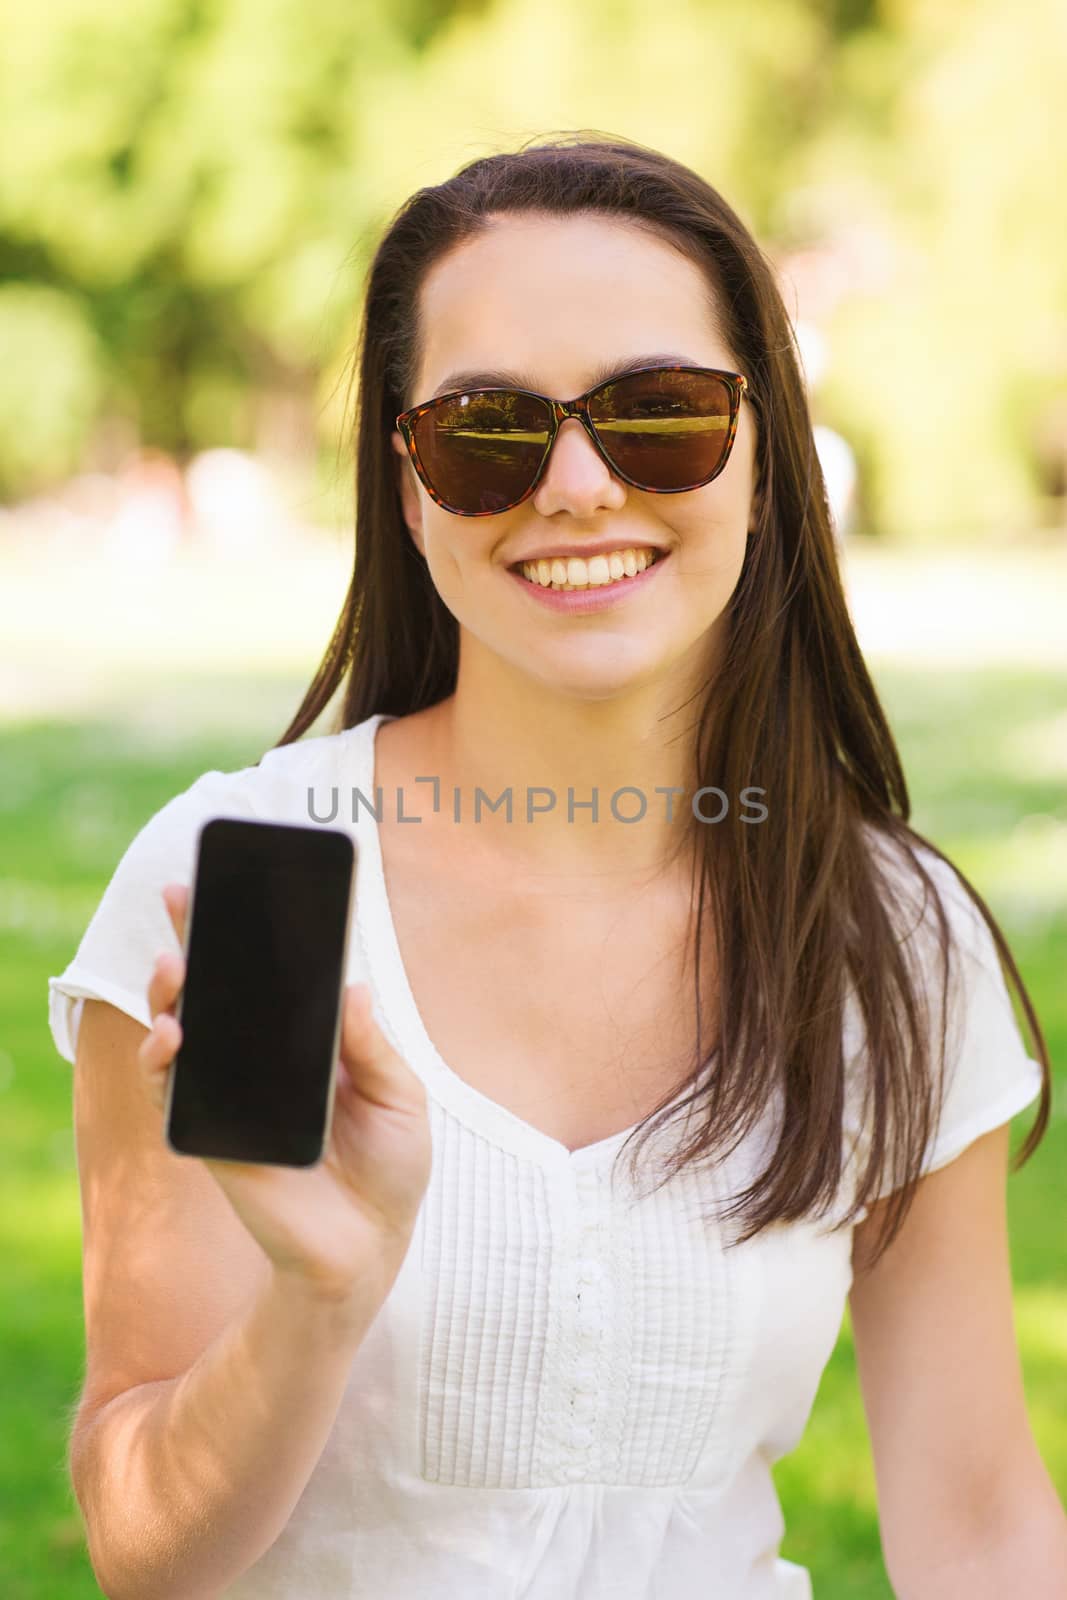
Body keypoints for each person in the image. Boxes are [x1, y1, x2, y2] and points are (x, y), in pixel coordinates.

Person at [48, 134, 1067, 1599]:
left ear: (766, 456)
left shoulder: (887, 934)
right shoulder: (254, 886)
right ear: (407, 490)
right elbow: (146, 1554)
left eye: (661, 414)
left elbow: (976, 1524)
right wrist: (319, 1298)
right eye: (489, 432)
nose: (579, 485)